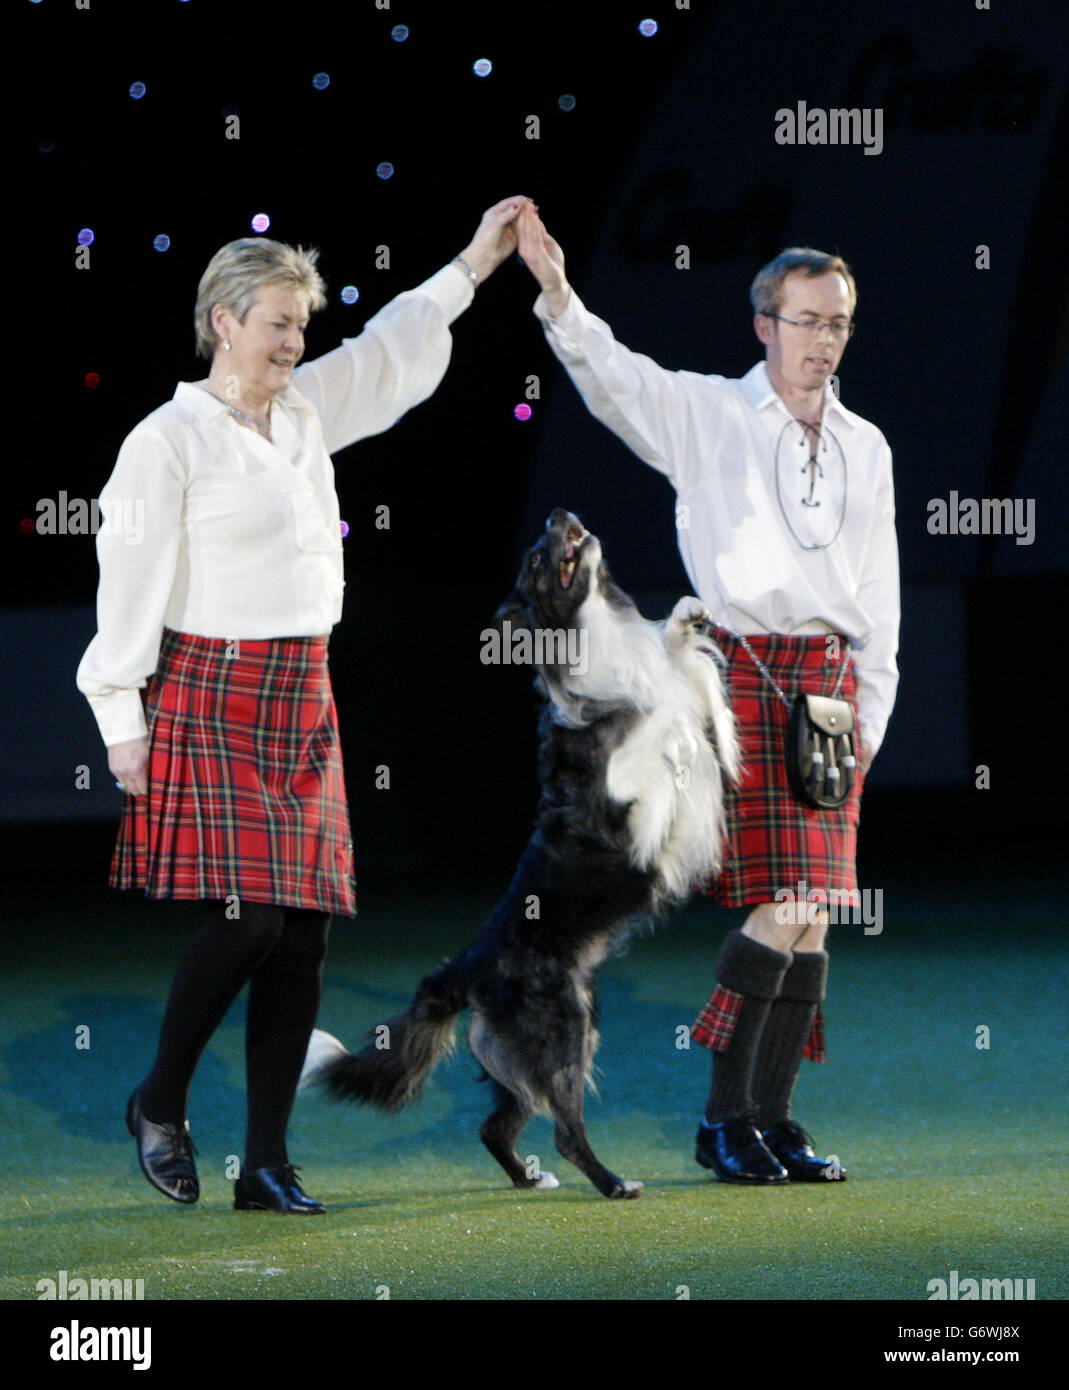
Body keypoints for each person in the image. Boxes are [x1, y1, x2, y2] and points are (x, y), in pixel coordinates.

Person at [77, 197, 527, 1213]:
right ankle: (158, 1100)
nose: (294, 340)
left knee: (305, 934)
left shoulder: (308, 412)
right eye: (277, 320)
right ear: (223, 319)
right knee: (246, 923)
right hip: (210, 685)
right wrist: (119, 717)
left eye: (300, 323)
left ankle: (266, 1163)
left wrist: (470, 263)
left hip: (302, 690)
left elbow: (389, 350)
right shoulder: (168, 439)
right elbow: (129, 581)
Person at [515, 205, 899, 1184]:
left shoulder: (868, 446)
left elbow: (880, 604)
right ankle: (723, 1119)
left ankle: (771, 1121)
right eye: (806, 320)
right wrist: (558, 295)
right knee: (781, 901)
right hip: (744, 675)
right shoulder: (709, 415)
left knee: (816, 913)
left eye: (838, 322)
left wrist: (868, 728)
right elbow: (615, 380)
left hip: (829, 690)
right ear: (763, 324)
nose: (824, 340)